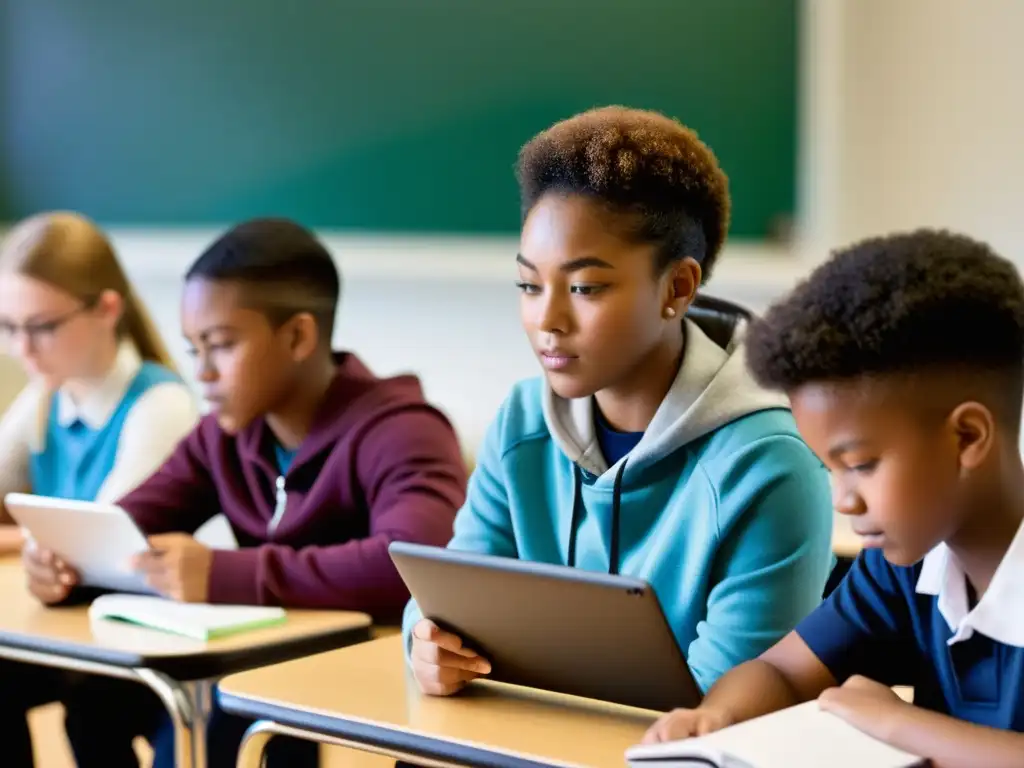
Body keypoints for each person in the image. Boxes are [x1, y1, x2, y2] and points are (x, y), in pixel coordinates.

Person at [403, 106, 834, 698]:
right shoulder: (523, 422)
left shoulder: (770, 465)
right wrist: (428, 647)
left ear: (677, 288)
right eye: (529, 285)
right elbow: (449, 600)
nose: (547, 320)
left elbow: (727, 700)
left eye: (585, 288)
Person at [25, 217, 469, 767]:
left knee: (216, 713)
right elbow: (126, 525)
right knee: (96, 699)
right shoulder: (225, 435)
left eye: (221, 345)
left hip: (379, 679)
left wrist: (225, 574)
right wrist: (63, 564)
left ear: (299, 337)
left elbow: (411, 564)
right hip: (264, 664)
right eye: (194, 350)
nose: (203, 374)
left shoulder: (402, 429)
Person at [643, 230, 1024, 767]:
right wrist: (716, 721)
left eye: (863, 465)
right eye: (830, 468)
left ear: (966, 438)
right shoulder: (903, 566)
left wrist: (902, 724)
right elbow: (781, 671)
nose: (844, 501)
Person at [0, 211, 198, 768]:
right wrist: (33, 535)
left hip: (155, 636)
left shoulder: (161, 404)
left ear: (106, 309)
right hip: (77, 626)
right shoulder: (47, 396)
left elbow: (93, 544)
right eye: (8, 327)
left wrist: (21, 534)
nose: (23, 349)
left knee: (90, 710)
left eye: (40, 326)